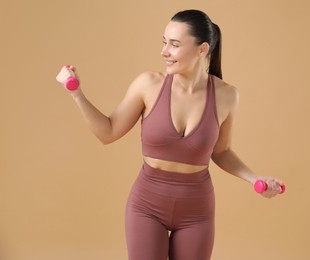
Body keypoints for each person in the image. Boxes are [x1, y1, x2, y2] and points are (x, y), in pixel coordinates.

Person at [56, 9, 284, 260]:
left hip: (197, 211)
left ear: (202, 50)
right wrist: (77, 94)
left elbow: (221, 151)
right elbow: (108, 132)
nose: (164, 51)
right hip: (147, 206)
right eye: (164, 42)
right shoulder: (148, 85)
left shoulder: (227, 96)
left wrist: (253, 179)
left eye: (174, 45)